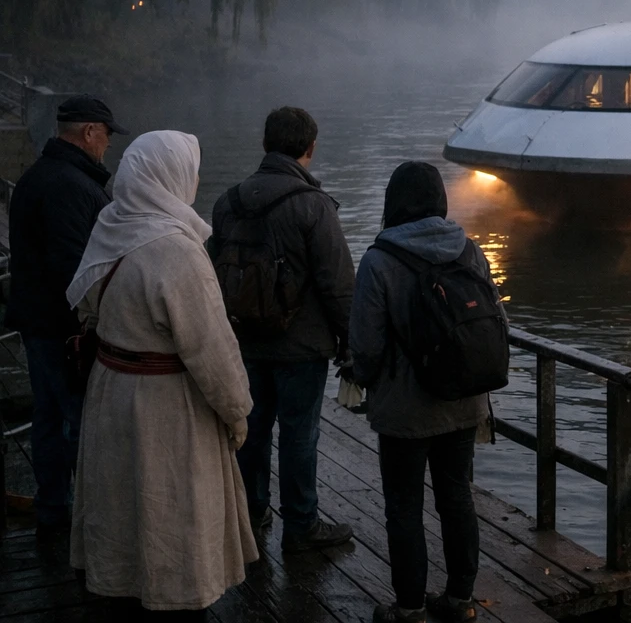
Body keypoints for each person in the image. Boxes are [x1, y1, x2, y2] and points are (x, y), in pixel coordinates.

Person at [67, 130, 256, 620]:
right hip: (167, 408)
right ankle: (172, 598)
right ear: (170, 177)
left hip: (111, 393)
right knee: (170, 517)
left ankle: (124, 589)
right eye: (189, 171)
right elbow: (212, 351)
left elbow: (87, 308)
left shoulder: (110, 225)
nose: (193, 179)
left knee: (123, 512)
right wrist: (238, 414)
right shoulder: (177, 251)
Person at [350, 161, 503, 623]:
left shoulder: (379, 260)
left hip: (404, 408)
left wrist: (365, 380)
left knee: (404, 505)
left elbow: (367, 345)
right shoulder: (469, 250)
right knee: (457, 496)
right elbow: (497, 321)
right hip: (464, 400)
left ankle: (411, 609)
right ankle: (461, 601)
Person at [208, 106, 356, 553]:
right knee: (299, 434)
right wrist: (351, 343)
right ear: (310, 148)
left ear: (264, 144)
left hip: (244, 341)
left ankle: (253, 513)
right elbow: (337, 283)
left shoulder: (227, 202)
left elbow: (213, 270)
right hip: (300, 346)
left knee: (251, 428)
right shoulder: (313, 205)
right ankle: (302, 525)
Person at [4, 93, 128, 534]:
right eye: (107, 135)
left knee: (48, 418)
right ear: (89, 131)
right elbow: (76, 267)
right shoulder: (72, 187)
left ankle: (54, 508)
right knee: (79, 420)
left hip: (35, 320)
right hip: (64, 327)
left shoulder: (39, 175)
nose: (108, 145)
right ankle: (84, 518)